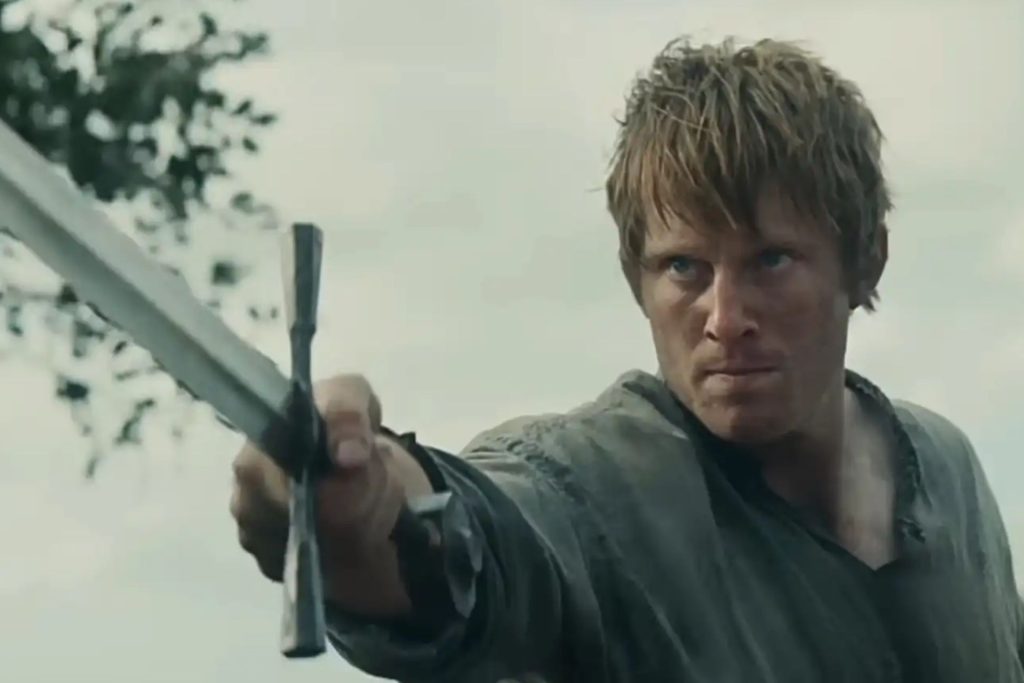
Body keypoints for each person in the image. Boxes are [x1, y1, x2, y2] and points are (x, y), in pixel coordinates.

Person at [229, 37, 1024, 682]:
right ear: (635, 278)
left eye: (771, 260)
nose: (725, 318)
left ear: (865, 260)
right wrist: (365, 502)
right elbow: (482, 543)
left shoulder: (946, 467)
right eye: (684, 267)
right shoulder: (599, 491)